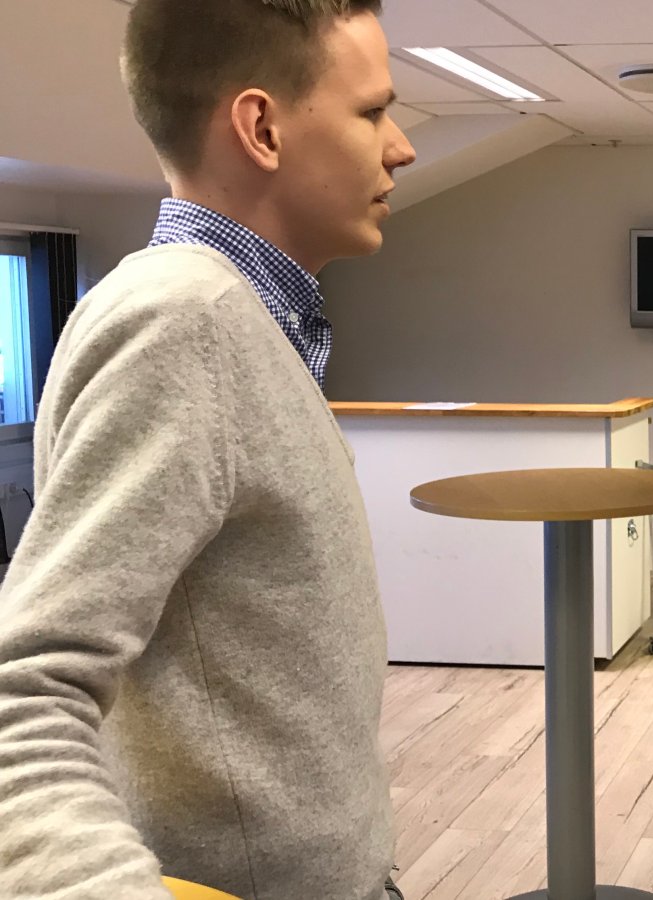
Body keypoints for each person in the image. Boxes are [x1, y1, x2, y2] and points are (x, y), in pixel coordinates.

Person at [0, 1, 415, 898]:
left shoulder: (234, 318)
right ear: (261, 128)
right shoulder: (184, 325)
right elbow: (21, 694)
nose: (402, 147)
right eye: (373, 111)